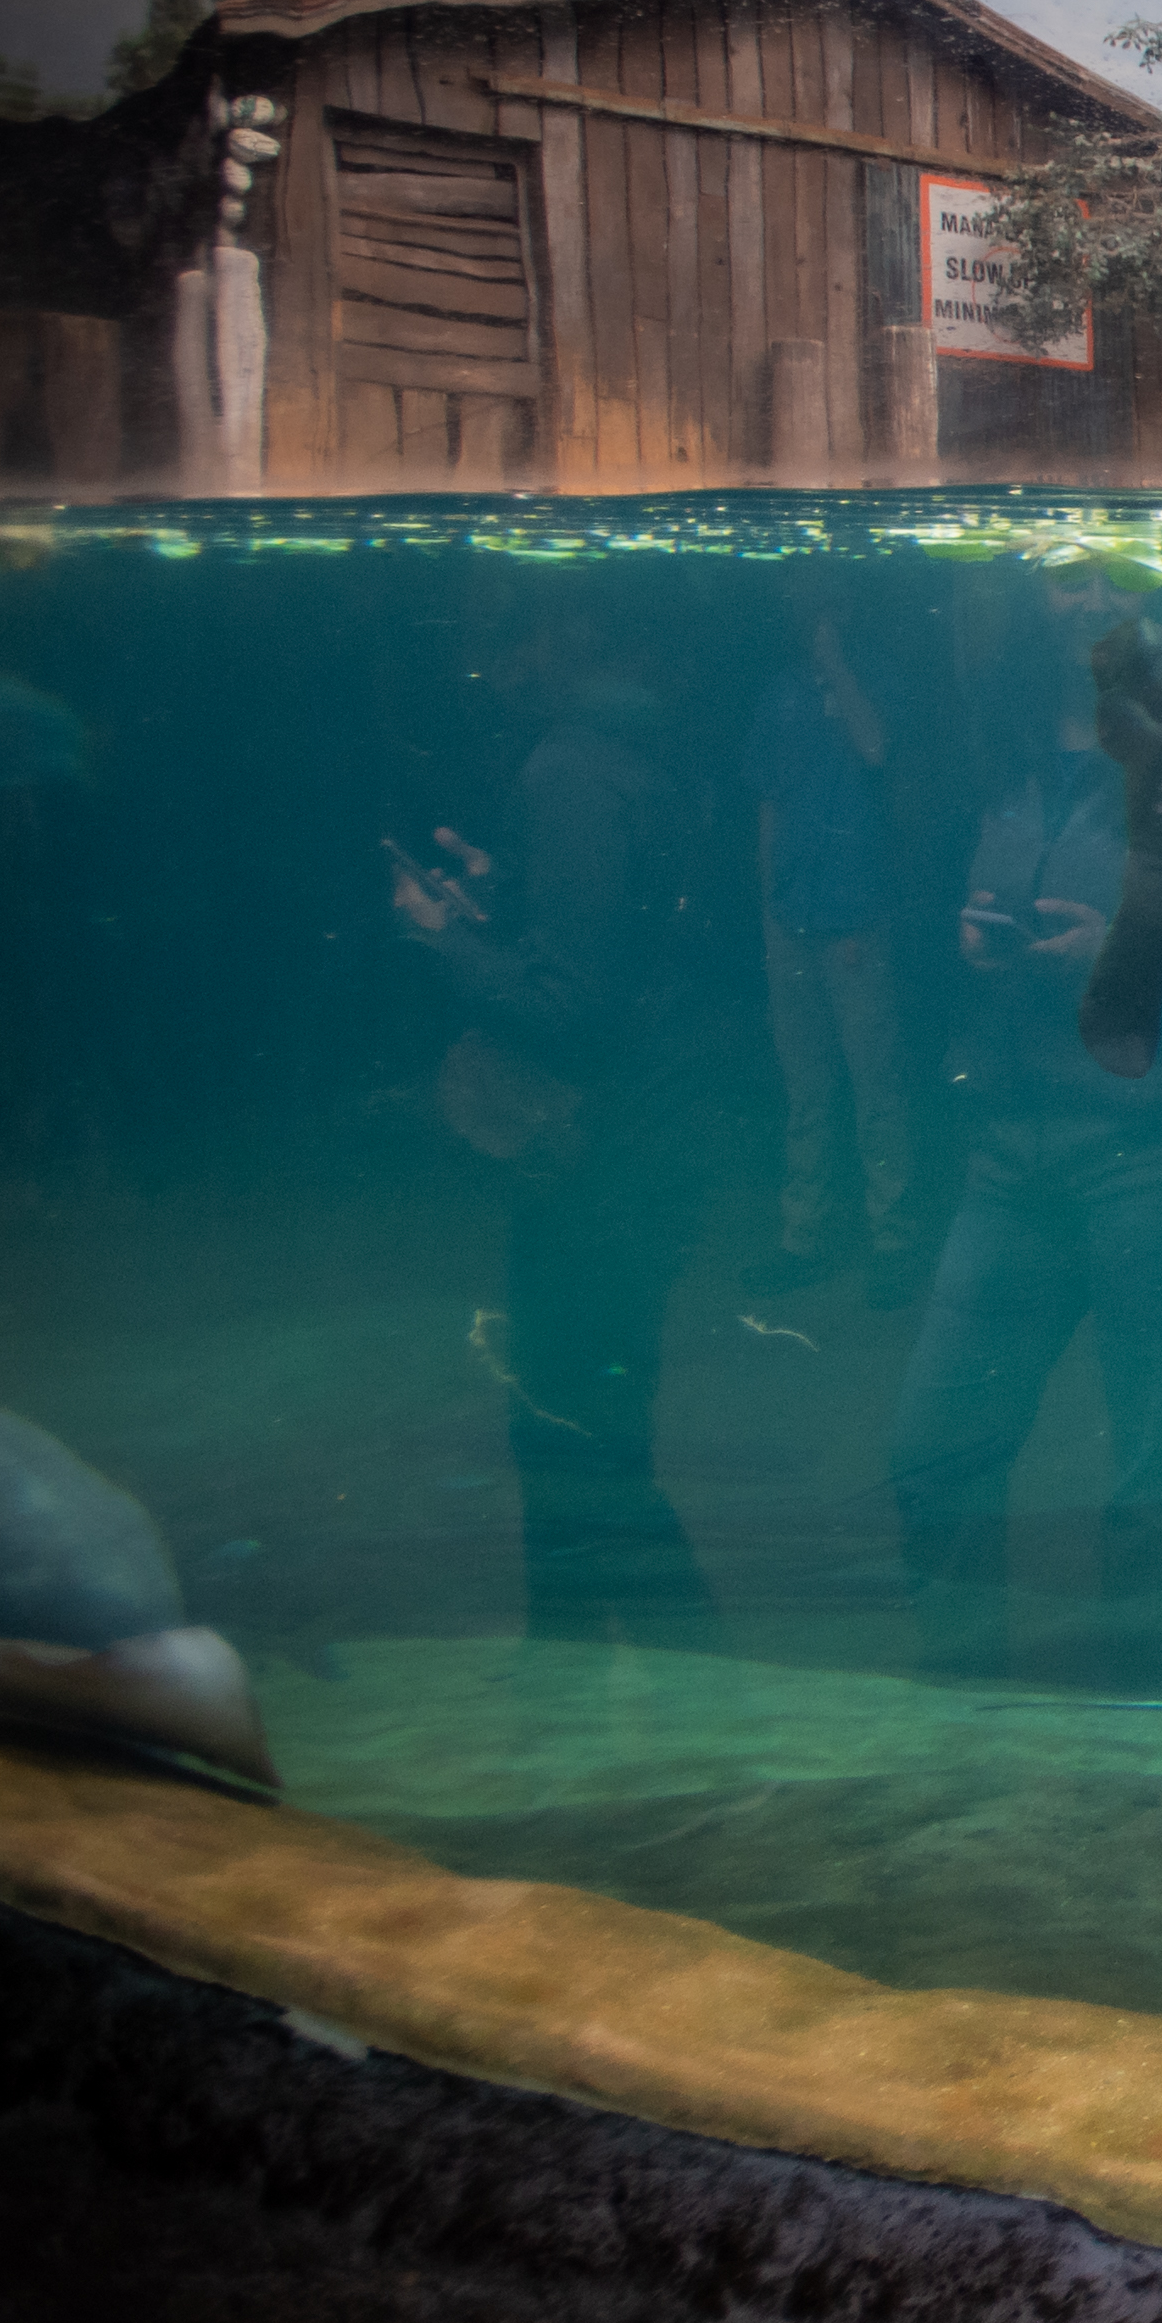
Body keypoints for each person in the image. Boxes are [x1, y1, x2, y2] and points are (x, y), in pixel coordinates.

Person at [882, 580, 1162, 1691]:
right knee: (933, 1447)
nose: (1078, 596)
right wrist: (961, 937)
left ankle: (1139, 1710)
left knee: (1153, 1457)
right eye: (1055, 574)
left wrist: (1122, 950)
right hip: (1010, 1153)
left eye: (1104, 573)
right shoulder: (996, 754)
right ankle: (960, 1678)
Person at [391, 602, 726, 1645]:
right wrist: (507, 908)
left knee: (574, 1442)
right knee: (594, 1436)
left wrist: (441, 941)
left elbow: (569, 1008)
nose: (483, 668)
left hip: (601, 1163)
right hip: (651, 1145)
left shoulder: (568, 770)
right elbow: (618, 950)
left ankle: (627, 1668)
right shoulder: (633, 754)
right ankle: (638, 1670)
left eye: (499, 643)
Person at [739, 577, 924, 1303]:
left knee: (876, 1086)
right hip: (789, 919)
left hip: (857, 916)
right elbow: (767, 802)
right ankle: (802, 1237)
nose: (813, 615)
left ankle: (895, 1239)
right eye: (804, 604)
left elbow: (876, 748)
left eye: (829, 603)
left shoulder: (878, 681)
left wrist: (838, 666)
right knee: (805, 1087)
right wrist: (765, 913)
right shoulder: (778, 693)